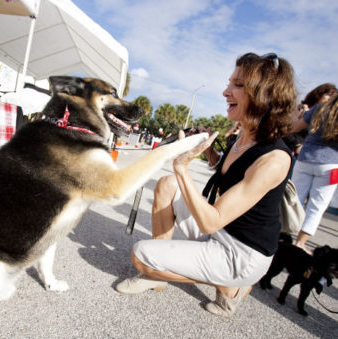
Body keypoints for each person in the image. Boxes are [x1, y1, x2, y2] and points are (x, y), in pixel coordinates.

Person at [115, 53, 296, 317]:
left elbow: (211, 221)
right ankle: (158, 276)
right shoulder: (245, 136)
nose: (226, 91)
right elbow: (230, 175)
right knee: (167, 184)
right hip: (221, 233)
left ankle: (232, 287)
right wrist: (206, 153)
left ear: (265, 96)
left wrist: (181, 166)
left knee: (141, 256)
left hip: (242, 253)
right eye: (229, 83)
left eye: (238, 85)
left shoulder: (275, 159)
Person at [290, 93, 338, 252]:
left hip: (306, 158)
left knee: (293, 199)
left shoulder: (319, 108)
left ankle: (282, 236)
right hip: (331, 165)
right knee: (317, 206)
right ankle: (300, 243)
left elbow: (295, 127)